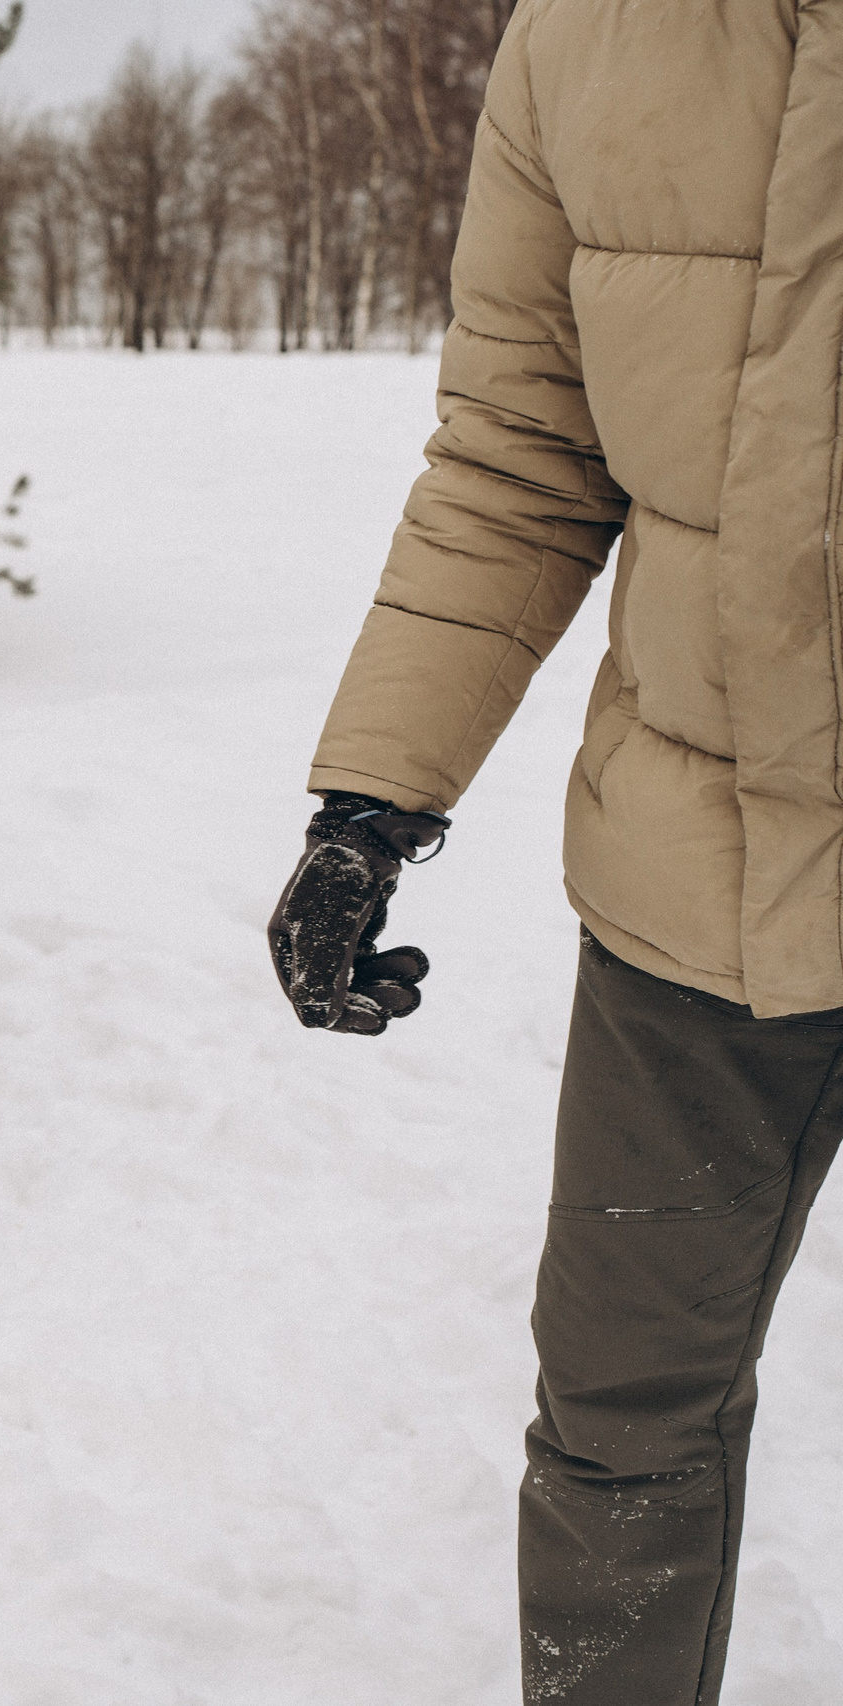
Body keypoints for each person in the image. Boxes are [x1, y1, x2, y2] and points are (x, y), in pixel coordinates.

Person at [267, 3, 843, 1700]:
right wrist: (371, 802)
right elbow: (523, 453)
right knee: (618, 1421)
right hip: (698, 891)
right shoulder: (584, 38)